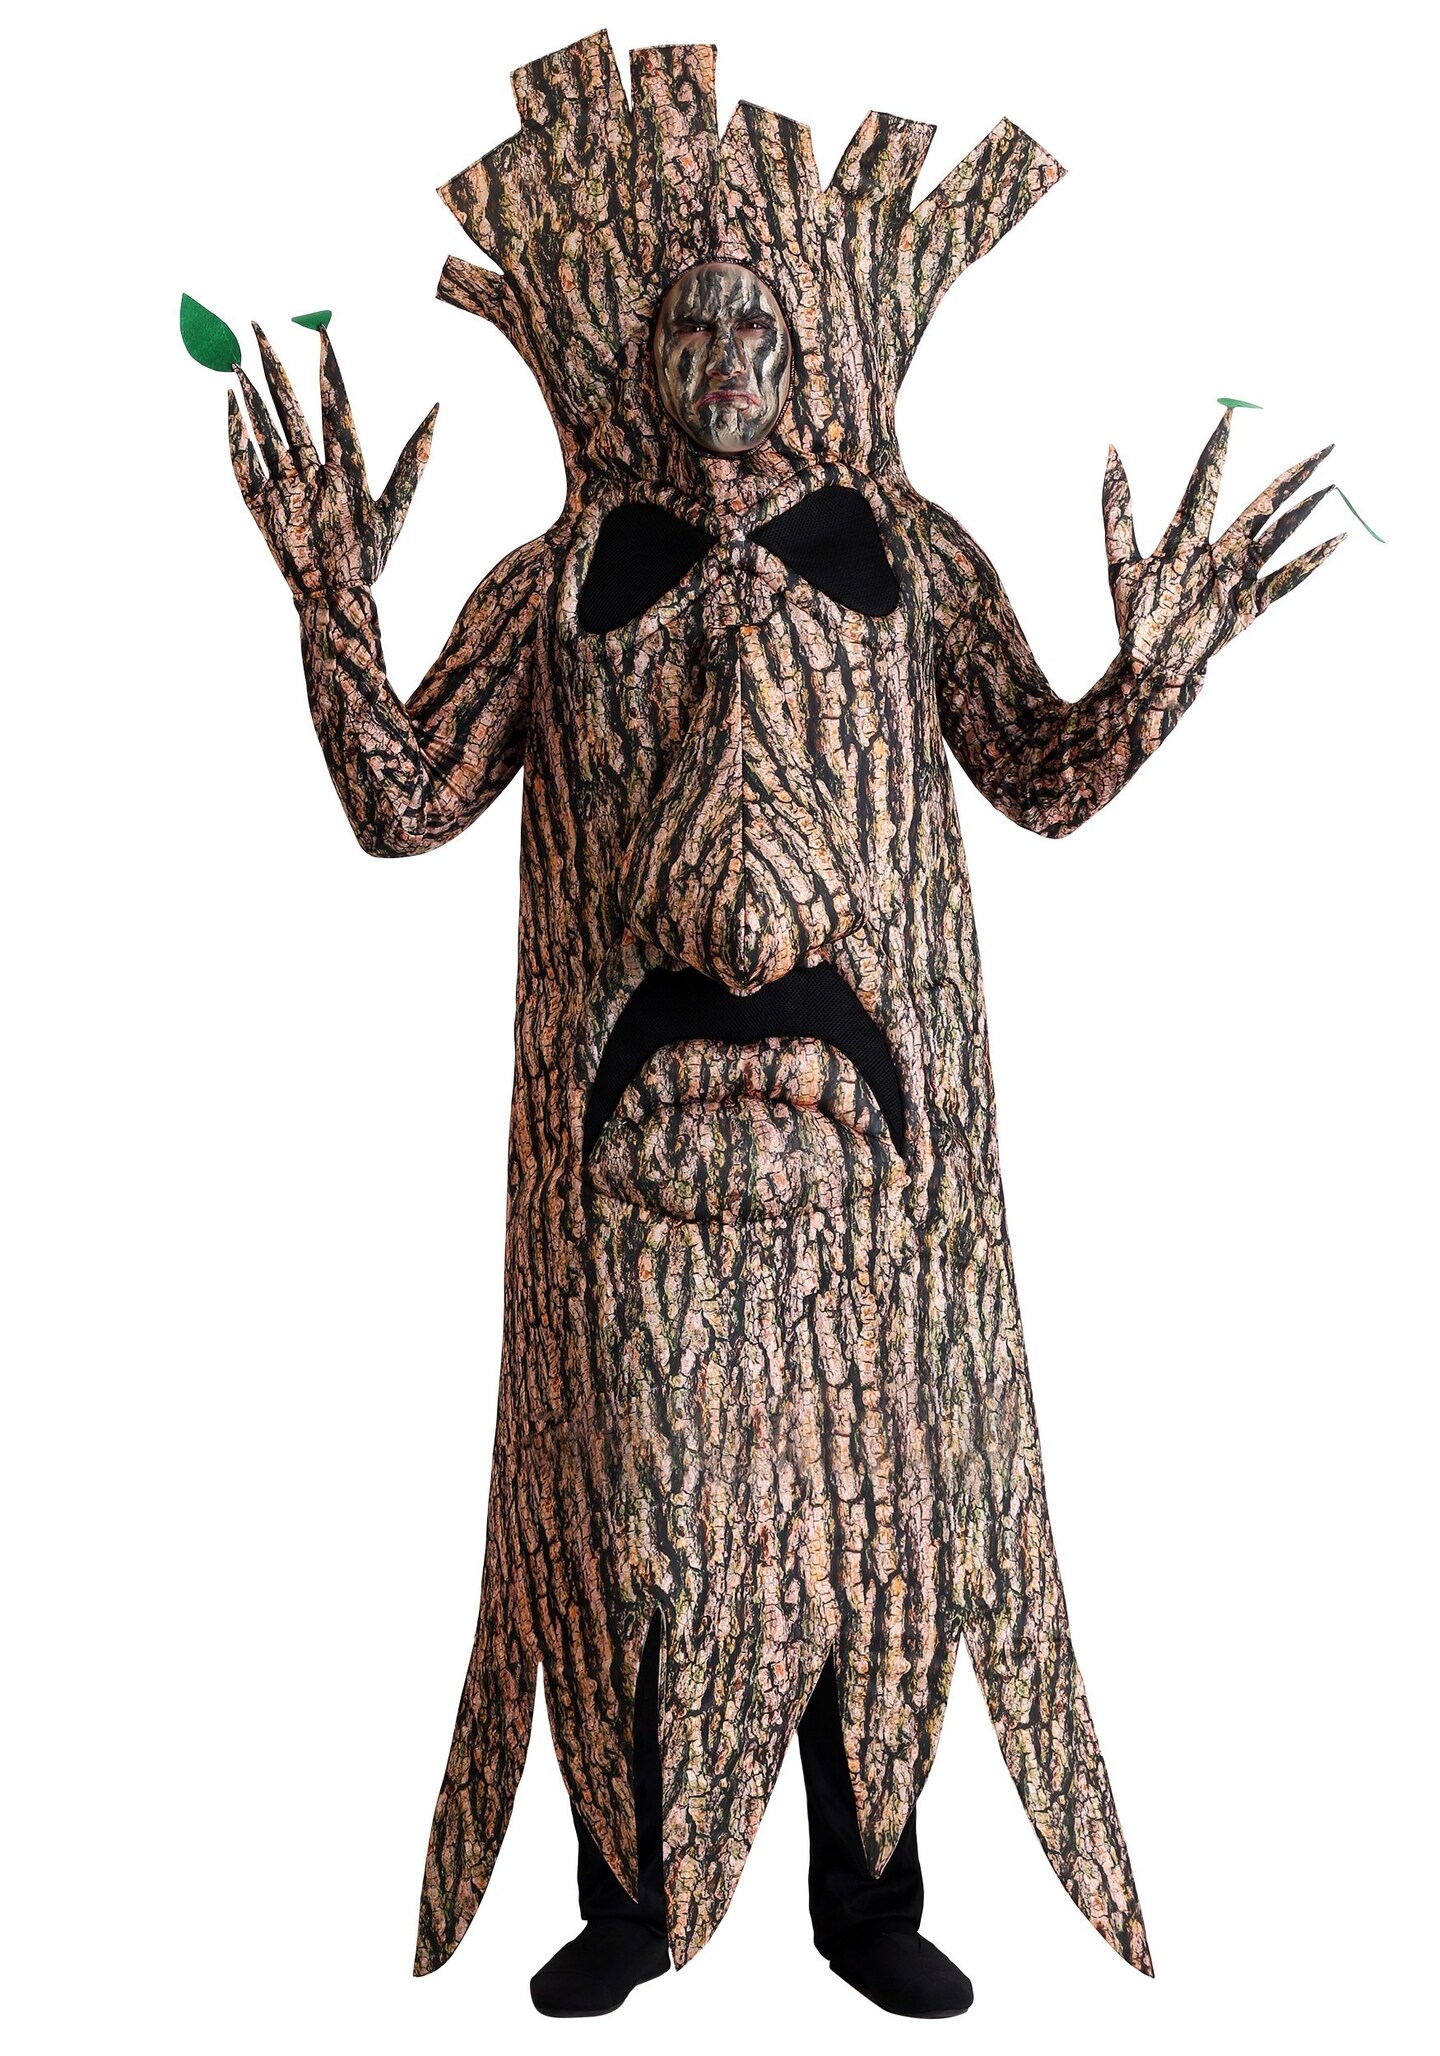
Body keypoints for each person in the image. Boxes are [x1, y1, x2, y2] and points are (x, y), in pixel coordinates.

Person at [204, 30, 1344, 2021]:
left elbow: (1043, 777)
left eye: (754, 319)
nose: (724, 358)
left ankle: (867, 1890)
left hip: (865, 1128)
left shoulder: (912, 560)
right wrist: (326, 608)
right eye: (689, 323)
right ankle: (629, 1892)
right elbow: (400, 802)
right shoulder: (559, 579)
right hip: (631, 1130)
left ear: (811, 338)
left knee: (869, 1477)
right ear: (639, 354)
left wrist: (1157, 664)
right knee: (633, 1487)